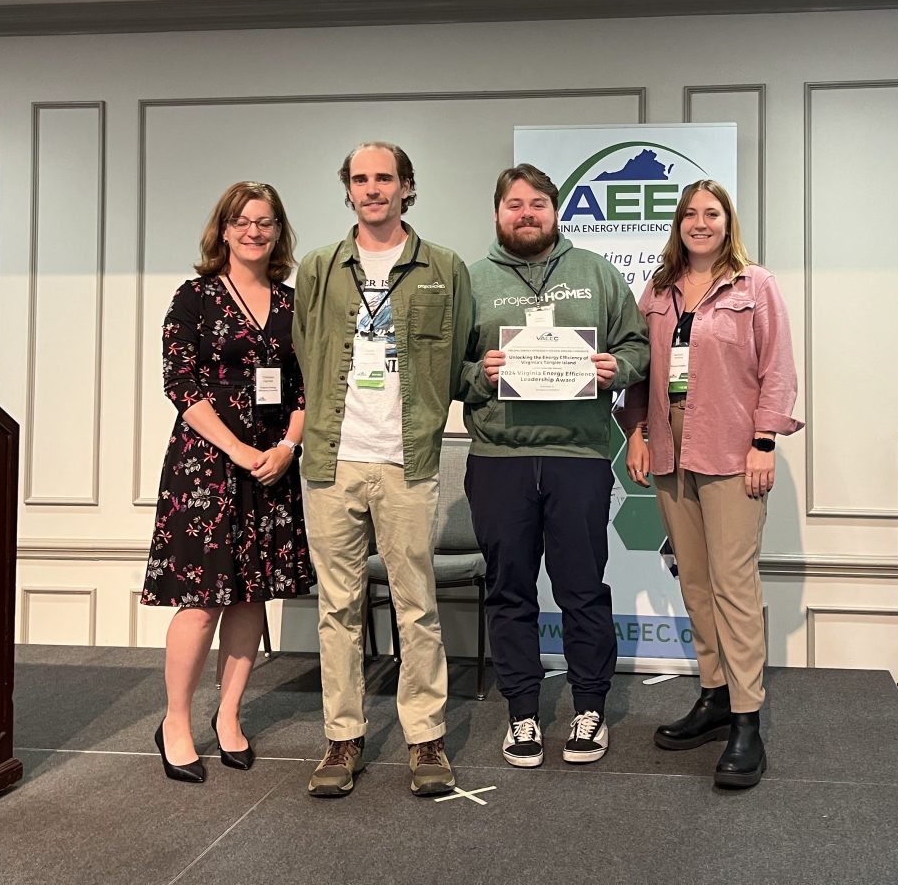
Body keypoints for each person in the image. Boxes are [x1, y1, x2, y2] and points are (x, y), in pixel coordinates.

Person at [292, 142, 475, 798]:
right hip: (331, 461)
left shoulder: (444, 268)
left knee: (415, 606)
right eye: (361, 179)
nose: (372, 189)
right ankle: (343, 737)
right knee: (336, 609)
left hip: (409, 461)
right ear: (348, 189)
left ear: (406, 187)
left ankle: (425, 737)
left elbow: (459, 357)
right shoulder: (318, 268)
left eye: (385, 178)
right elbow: (304, 352)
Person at [462, 164, 649, 768]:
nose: (526, 214)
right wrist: (479, 374)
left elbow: (638, 345)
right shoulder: (471, 280)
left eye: (538, 204)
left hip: (579, 457)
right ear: (498, 213)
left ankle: (589, 708)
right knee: (509, 590)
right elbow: (443, 369)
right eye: (514, 204)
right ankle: (522, 712)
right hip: (499, 459)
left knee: (582, 589)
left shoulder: (596, 272)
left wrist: (617, 369)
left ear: (556, 210)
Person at [619, 179, 801, 789]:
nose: (701, 223)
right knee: (694, 582)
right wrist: (637, 431)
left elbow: (778, 370)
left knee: (734, 585)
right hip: (670, 448)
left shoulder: (755, 285)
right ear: (679, 223)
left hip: (731, 450)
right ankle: (715, 694)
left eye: (712, 213)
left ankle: (747, 720)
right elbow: (641, 369)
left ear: (728, 222)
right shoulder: (658, 289)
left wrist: (764, 442)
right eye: (690, 214)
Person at [142, 181, 315, 784]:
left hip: (272, 465)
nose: (253, 232)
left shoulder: (294, 304)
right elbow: (180, 384)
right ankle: (175, 722)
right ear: (223, 230)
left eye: (265, 222)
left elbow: (307, 387)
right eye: (241, 221)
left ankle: (229, 715)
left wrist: (287, 447)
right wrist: (239, 449)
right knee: (201, 602)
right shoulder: (194, 297)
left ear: (279, 232)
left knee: (250, 596)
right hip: (206, 466)